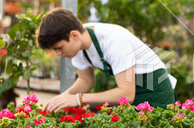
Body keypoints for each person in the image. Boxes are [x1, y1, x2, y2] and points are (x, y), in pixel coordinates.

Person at [37, 8, 176, 112]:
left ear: (74, 35)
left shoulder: (114, 41)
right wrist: (62, 98)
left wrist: (78, 99)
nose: (58, 53)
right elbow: (86, 80)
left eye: (60, 48)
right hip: (131, 90)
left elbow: (126, 94)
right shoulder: (78, 46)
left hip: (155, 89)